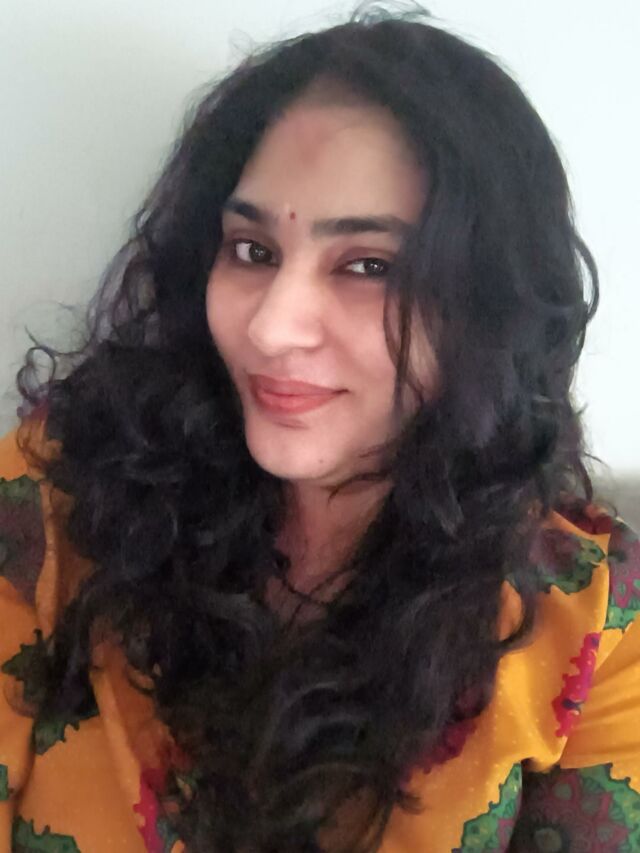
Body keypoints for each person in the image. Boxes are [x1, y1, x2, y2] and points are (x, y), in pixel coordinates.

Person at [1, 3, 638, 851]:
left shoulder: (598, 624)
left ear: (490, 306)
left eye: (368, 266)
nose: (271, 328)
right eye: (252, 250)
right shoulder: (54, 498)